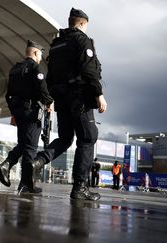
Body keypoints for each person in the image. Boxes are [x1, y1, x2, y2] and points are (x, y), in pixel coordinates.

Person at [31, 8, 108, 200]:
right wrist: (99, 94)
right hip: (79, 96)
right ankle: (80, 187)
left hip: (61, 97)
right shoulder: (82, 40)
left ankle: (37, 163)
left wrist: (51, 100)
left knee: (65, 138)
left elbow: (51, 74)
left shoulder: (56, 44)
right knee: (88, 137)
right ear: (82, 24)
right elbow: (89, 70)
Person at [0, 40, 53, 193]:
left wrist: (14, 111)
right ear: (35, 52)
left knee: (23, 144)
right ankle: (26, 184)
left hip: (19, 112)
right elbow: (42, 89)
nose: (41, 57)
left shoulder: (15, 69)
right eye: (40, 54)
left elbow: (8, 95)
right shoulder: (35, 69)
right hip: (31, 112)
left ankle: (7, 165)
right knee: (30, 147)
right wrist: (50, 102)